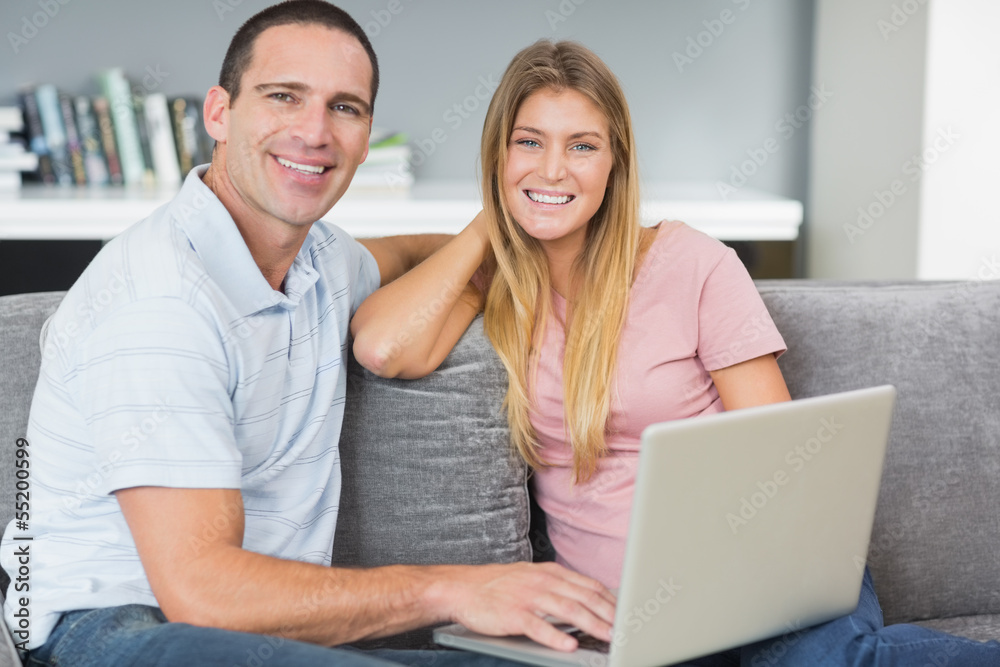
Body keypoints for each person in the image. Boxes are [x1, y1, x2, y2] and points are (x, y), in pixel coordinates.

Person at [0, 5, 617, 666]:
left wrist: (504, 240)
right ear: (218, 112)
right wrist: (457, 587)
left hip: (264, 636)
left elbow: (407, 253)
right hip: (117, 629)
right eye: (283, 97)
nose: (314, 132)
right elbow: (202, 594)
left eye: (345, 108)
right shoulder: (160, 297)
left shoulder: (321, 264)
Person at [351, 40, 1000, 665]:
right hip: (623, 615)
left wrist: (725, 581)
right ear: (497, 153)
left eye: (582, 146)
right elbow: (382, 346)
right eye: (528, 143)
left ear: (616, 163)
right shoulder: (497, 283)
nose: (552, 168)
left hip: (759, 570)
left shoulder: (694, 263)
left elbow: (780, 460)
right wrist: (491, 217)